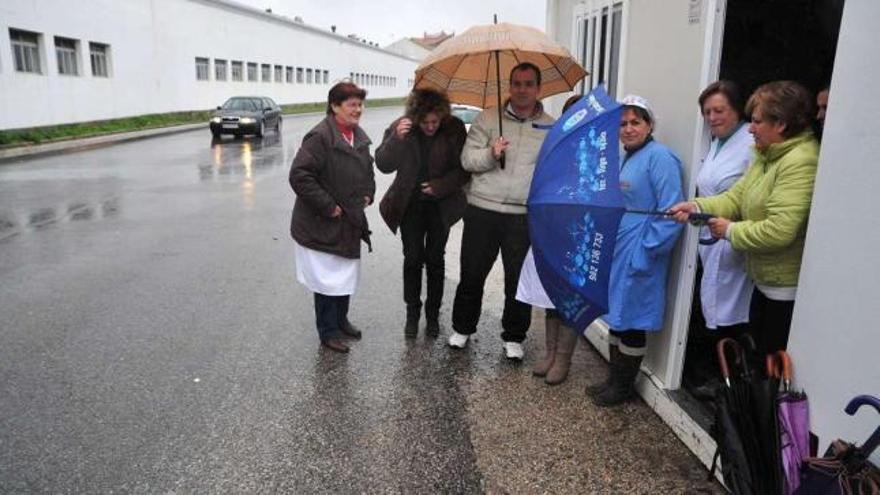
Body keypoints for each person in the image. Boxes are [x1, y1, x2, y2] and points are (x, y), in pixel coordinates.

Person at [670, 80, 820, 357]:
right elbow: (735, 198)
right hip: (761, 279)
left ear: (782, 124)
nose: (750, 128)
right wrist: (695, 206)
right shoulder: (766, 155)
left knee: (770, 364)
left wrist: (729, 230)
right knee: (754, 359)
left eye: (757, 121)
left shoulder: (800, 160)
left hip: (782, 289)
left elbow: (779, 230)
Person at [448, 62, 555, 360]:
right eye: (517, 83)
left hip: (523, 215)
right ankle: (463, 328)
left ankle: (514, 336)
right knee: (472, 274)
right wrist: (491, 154)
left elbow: (553, 170)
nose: (522, 90)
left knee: (517, 280)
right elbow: (467, 160)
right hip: (483, 210)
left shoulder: (549, 125)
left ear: (538, 88)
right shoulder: (487, 118)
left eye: (528, 84)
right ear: (509, 86)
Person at [587, 95, 684, 407]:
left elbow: (672, 212)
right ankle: (614, 379)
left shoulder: (661, 158)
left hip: (641, 249)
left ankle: (623, 387)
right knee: (618, 314)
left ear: (649, 125)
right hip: (620, 247)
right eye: (623, 123)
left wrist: (647, 250)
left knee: (632, 319)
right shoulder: (626, 157)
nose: (628, 129)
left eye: (635, 122)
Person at [374, 89, 470, 338]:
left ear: (442, 116)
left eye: (435, 122)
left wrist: (439, 186)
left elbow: (464, 170)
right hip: (410, 204)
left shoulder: (454, 129)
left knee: (435, 260)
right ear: (416, 117)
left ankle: (433, 315)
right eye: (425, 122)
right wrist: (396, 138)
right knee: (413, 258)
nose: (430, 127)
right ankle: (412, 312)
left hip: (441, 205)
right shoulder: (401, 127)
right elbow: (383, 165)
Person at [289, 81, 375, 354]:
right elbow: (299, 175)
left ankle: (341, 321)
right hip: (321, 224)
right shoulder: (320, 136)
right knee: (326, 280)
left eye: (360, 104)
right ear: (335, 106)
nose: (358, 109)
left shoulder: (357, 135)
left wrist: (368, 194)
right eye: (352, 104)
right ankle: (328, 332)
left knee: (344, 275)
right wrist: (329, 206)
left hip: (348, 221)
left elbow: (367, 171)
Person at [516, 94, 582, 385]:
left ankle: (564, 359)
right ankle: (551, 353)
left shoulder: (598, 151)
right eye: (570, 115)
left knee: (569, 298)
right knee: (550, 294)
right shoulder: (555, 148)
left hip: (578, 231)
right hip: (551, 229)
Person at [695, 81, 754, 334]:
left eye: (719, 110)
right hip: (709, 236)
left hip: (734, 238)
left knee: (731, 314)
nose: (712, 117)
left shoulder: (750, 143)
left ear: (737, 110)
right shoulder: (715, 143)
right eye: (707, 112)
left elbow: (744, 196)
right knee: (710, 302)